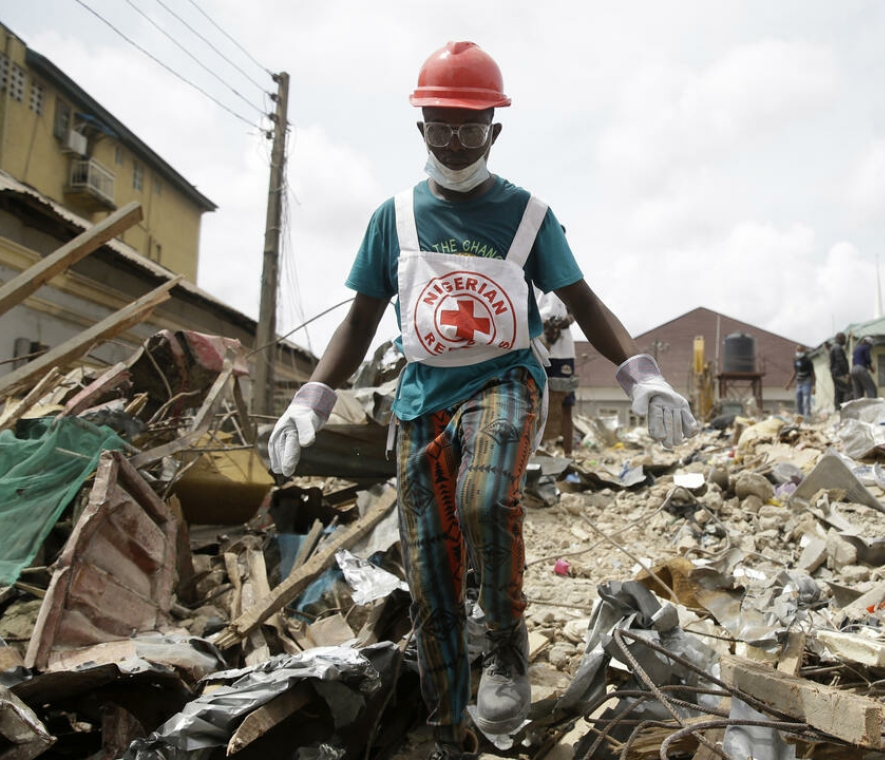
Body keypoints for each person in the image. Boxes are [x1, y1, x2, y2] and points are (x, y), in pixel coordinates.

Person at [266, 41, 698, 760]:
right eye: (442, 127)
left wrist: (642, 375)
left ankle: (504, 643)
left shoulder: (527, 215)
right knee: (431, 572)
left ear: (495, 131)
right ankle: (448, 731)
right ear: (422, 128)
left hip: (502, 382)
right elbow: (361, 319)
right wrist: (310, 400)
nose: (456, 143)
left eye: (472, 129)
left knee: (486, 496)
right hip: (420, 398)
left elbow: (584, 303)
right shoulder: (393, 218)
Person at [537, 290, 576, 456]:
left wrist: (563, 322)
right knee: (532, 401)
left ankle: (568, 457)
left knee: (565, 404)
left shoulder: (563, 281)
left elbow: (577, 310)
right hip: (536, 346)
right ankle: (530, 455)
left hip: (562, 351)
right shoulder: (525, 276)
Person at [783, 344, 815, 419]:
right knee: (798, 400)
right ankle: (800, 417)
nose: (799, 352)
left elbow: (812, 373)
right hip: (799, 382)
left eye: (800, 350)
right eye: (798, 350)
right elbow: (795, 372)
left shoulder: (807, 360)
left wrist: (814, 385)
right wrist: (789, 383)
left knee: (806, 400)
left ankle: (807, 418)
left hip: (807, 381)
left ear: (803, 351)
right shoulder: (795, 359)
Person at [828, 332, 852, 410]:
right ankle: (845, 408)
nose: (845, 341)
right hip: (840, 373)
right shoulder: (838, 348)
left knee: (838, 391)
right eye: (844, 339)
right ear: (840, 339)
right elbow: (841, 361)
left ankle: (838, 408)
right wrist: (846, 373)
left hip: (835, 373)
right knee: (847, 390)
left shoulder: (833, 347)